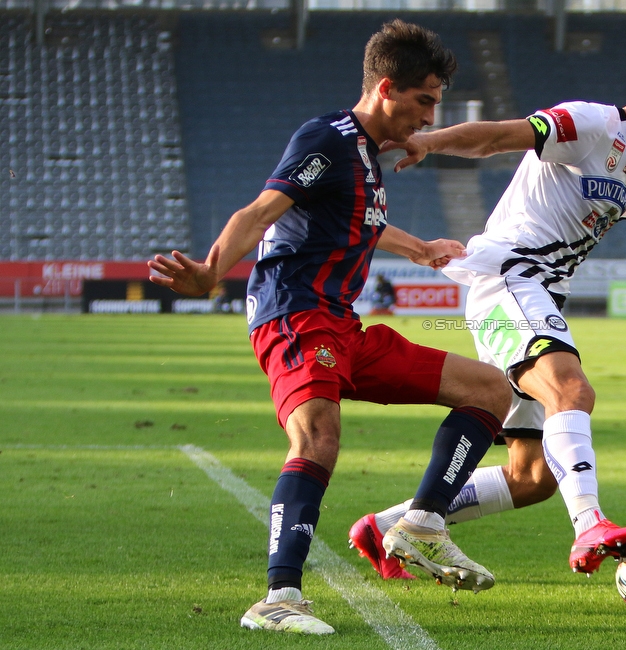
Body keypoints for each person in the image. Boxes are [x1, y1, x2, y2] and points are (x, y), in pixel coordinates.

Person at [348, 59, 626, 583]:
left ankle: (389, 526)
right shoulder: (588, 124)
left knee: (533, 476)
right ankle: (589, 524)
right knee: (571, 390)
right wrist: (432, 142)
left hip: (534, 294)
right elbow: (499, 137)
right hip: (511, 276)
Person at [148, 20, 513, 636]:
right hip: (294, 314)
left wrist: (420, 249)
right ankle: (278, 597)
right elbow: (260, 210)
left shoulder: (367, 159)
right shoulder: (328, 138)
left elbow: (357, 223)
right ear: (387, 89)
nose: (429, 117)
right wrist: (212, 271)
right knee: (318, 436)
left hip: (344, 325)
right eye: (424, 101)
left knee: (491, 389)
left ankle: (422, 522)